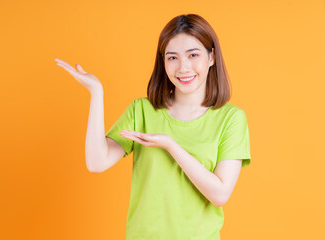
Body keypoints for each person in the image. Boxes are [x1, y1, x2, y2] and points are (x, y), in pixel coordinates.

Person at [55, 13, 251, 240]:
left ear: (212, 57)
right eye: (172, 57)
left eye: (193, 55)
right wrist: (96, 93)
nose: (183, 67)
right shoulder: (142, 111)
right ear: (163, 62)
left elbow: (219, 194)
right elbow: (96, 162)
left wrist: (171, 145)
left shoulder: (231, 118)